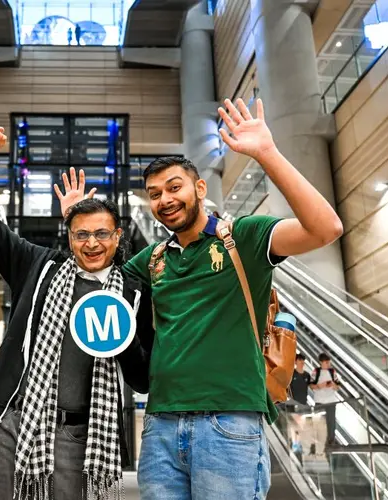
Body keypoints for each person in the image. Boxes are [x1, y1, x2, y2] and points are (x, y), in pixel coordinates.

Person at [123, 98, 344, 499]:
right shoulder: (152, 260)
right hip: (160, 425)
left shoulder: (243, 236)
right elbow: (101, 286)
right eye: (154, 194)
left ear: (200, 188)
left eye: (175, 187)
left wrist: (266, 153)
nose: (165, 200)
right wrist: (77, 222)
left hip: (229, 422)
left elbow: (325, 227)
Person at [0, 124, 154, 500]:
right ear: (68, 236)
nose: (92, 243)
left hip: (78, 437)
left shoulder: (133, 292)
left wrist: (122, 339)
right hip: (9, 421)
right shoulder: (38, 266)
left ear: (118, 236)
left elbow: (142, 378)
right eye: (81, 234)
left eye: (102, 233)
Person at [310, 352, 342, 448]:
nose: (329, 364)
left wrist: (333, 385)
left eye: (329, 362)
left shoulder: (333, 372)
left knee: (331, 422)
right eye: (326, 363)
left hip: (331, 400)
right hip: (319, 401)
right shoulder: (316, 372)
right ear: (321, 362)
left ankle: (331, 441)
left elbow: (338, 387)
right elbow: (311, 386)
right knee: (319, 422)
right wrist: (320, 386)